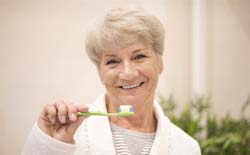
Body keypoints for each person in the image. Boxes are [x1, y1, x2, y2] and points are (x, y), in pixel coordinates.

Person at [23, 6, 201, 155]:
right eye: (112, 61)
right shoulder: (61, 137)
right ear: (100, 72)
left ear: (160, 63)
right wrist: (52, 147)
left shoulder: (186, 148)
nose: (128, 73)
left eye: (139, 56)